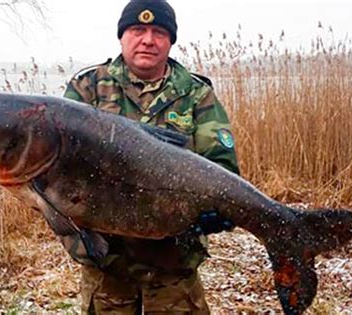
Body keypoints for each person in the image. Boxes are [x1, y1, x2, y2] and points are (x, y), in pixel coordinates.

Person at [62, 0, 239, 313]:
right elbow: (61, 169)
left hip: (174, 270)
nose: (148, 39)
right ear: (122, 36)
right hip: (107, 271)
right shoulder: (86, 90)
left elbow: (221, 165)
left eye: (158, 32)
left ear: (170, 40)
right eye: (137, 29)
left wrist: (218, 210)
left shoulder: (196, 94)